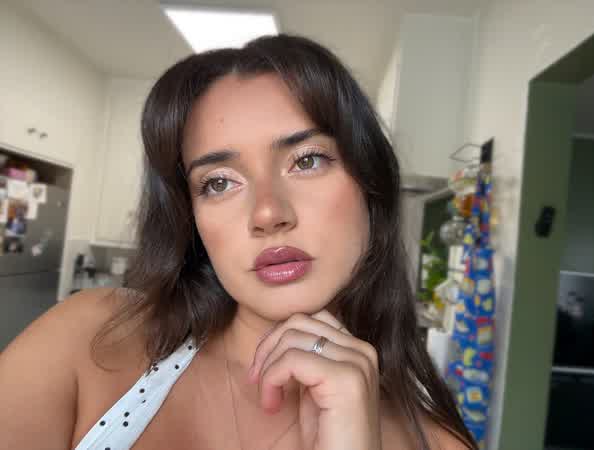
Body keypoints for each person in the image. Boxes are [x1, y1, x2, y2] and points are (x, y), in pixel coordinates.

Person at [0, 34, 477, 450]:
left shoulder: (437, 443)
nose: (268, 214)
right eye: (219, 182)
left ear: (369, 183)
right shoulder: (89, 341)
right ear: (192, 218)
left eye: (307, 160)